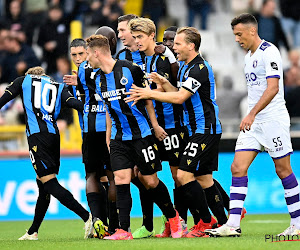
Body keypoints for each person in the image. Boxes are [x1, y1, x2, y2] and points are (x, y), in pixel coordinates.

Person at [125, 26, 226, 237]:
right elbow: (178, 92)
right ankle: (225, 222)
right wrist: (163, 83)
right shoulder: (184, 67)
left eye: (178, 43)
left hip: (205, 129)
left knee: (183, 175)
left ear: (191, 46)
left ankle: (205, 221)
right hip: (194, 130)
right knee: (204, 178)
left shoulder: (199, 67)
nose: (173, 47)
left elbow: (180, 98)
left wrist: (147, 93)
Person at [206, 13, 300, 237]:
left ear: (252, 31)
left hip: (273, 120)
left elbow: (273, 88)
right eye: (234, 35)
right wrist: (251, 116)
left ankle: (297, 224)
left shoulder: (271, 52)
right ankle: (233, 224)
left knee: (283, 169)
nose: (237, 39)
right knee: (237, 167)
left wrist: (251, 113)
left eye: (239, 34)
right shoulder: (248, 57)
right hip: (254, 123)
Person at [85, 34, 183, 240]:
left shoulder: (130, 69)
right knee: (121, 179)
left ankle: (173, 217)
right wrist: (109, 139)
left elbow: (147, 99)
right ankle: (123, 230)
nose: (87, 59)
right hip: (119, 138)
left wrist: (155, 126)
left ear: (96, 52)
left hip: (142, 135)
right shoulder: (98, 78)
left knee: (149, 180)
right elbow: (109, 110)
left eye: (87, 54)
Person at [0, 66, 93, 240]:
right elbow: (75, 104)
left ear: (29, 75)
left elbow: (4, 100)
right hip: (53, 136)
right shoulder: (57, 86)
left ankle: (87, 217)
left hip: (37, 137)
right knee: (43, 186)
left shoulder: (23, 81)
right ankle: (33, 231)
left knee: (49, 183)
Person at [128, 17, 190, 238]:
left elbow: (171, 92)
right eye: (134, 37)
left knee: (179, 176)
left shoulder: (165, 58)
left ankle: (181, 221)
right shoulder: (138, 61)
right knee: (143, 175)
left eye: (140, 37)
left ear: (152, 36)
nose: (136, 41)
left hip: (171, 125)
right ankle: (171, 217)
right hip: (150, 128)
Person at [64, 31, 118, 236]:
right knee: (112, 177)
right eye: (74, 55)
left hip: (94, 128)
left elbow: (84, 97)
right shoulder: (108, 67)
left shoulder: (83, 72)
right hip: (103, 128)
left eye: (81, 53)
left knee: (94, 175)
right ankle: (113, 225)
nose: (78, 58)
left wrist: (75, 87)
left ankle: (99, 222)